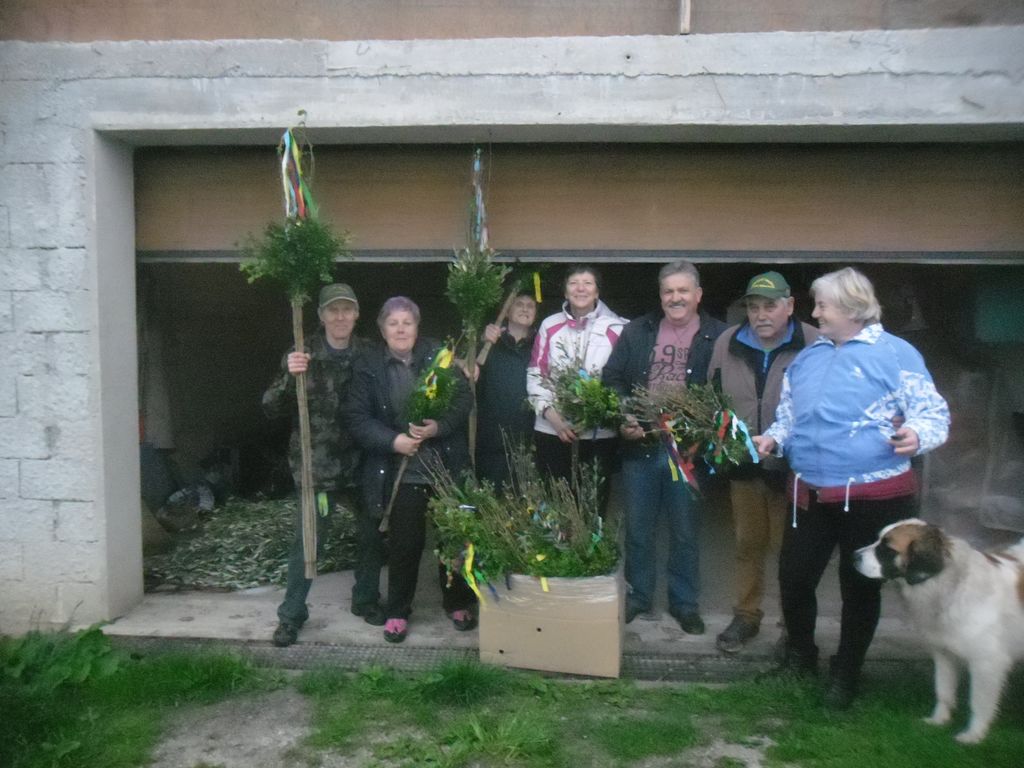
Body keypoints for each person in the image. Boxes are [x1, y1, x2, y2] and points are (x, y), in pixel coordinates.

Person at [754, 267, 949, 710]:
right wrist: (774, 438)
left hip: (874, 498)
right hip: (809, 494)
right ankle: (800, 657)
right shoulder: (808, 358)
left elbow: (933, 414)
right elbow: (789, 416)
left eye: (823, 305)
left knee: (858, 588)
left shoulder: (896, 354)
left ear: (852, 308)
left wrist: (917, 434)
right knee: (794, 578)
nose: (815, 313)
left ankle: (847, 673)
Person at [603, 260, 727, 634]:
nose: (676, 298)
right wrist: (625, 416)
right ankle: (639, 596)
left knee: (685, 531)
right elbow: (612, 378)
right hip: (641, 446)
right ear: (660, 296)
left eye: (683, 291)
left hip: (687, 452)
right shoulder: (637, 331)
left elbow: (726, 393)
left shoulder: (719, 335)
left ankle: (684, 603)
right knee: (638, 530)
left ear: (697, 295)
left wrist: (706, 432)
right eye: (669, 291)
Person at [345, 296, 478, 644]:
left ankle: (457, 602)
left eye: (407, 322)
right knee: (405, 544)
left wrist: (438, 427)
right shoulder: (368, 365)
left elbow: (464, 399)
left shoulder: (439, 356)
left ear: (417, 327)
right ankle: (398, 610)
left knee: (453, 539)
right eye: (393, 323)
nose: (401, 329)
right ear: (382, 329)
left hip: (446, 467)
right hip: (404, 471)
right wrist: (394, 441)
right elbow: (358, 418)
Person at [707, 271, 818, 654]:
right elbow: (712, 396)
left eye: (770, 306)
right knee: (748, 543)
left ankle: (793, 625)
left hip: (794, 467)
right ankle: (746, 616)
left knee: (793, 552)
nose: (760, 315)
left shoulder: (813, 343)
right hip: (744, 462)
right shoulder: (728, 341)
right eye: (753, 307)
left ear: (790, 306)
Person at [263, 283, 377, 647]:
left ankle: (366, 598)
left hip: (361, 462)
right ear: (322, 315)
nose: (340, 316)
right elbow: (270, 408)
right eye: (333, 310)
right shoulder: (302, 352)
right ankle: (291, 615)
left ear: (356, 314)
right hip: (318, 466)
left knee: (373, 533)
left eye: (347, 309)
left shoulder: (370, 353)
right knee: (308, 543)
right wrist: (289, 376)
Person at [526, 265, 625, 510]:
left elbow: (622, 378)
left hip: (598, 433)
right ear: (565, 292)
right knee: (554, 501)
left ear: (597, 292)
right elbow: (536, 373)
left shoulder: (617, 328)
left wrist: (599, 412)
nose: (580, 288)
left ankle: (592, 536)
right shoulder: (550, 325)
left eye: (587, 283)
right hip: (552, 429)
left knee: (593, 503)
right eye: (573, 283)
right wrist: (552, 416)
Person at [476, 291, 538, 488]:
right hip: (492, 437)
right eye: (519, 304)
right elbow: (466, 368)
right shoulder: (490, 343)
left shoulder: (541, 345)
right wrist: (481, 340)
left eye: (530, 305)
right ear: (507, 310)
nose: (525, 309)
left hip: (530, 437)